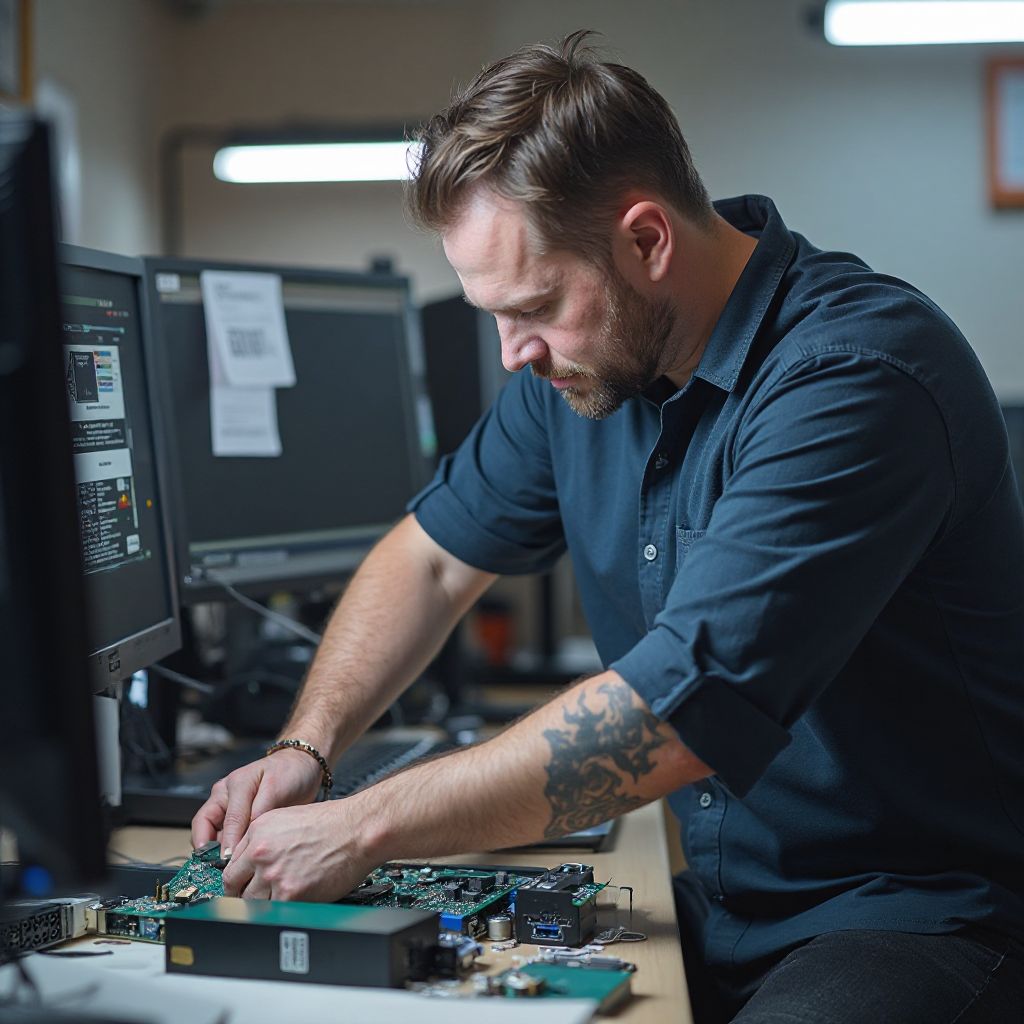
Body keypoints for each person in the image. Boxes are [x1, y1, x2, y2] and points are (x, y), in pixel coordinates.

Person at [192, 31, 1024, 1022]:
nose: (512, 353)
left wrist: (363, 824)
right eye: (492, 314)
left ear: (645, 239)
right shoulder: (581, 374)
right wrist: (308, 746)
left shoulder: (855, 378)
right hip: (707, 901)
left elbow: (670, 716)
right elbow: (427, 562)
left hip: (906, 917)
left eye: (535, 306)